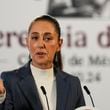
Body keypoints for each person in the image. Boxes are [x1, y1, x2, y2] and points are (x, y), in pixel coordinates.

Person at [0, 15, 85, 110]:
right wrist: (1, 97)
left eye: (48, 38)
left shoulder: (73, 84)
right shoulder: (9, 80)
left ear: (59, 44)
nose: (40, 44)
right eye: (35, 38)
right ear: (27, 43)